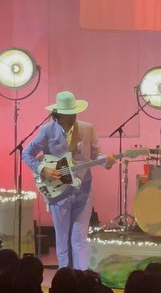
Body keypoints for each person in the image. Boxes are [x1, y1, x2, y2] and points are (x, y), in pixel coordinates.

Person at [22, 91, 115, 270]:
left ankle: (81, 276)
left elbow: (96, 154)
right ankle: (65, 276)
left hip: (83, 190)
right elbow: (27, 154)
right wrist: (42, 169)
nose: (72, 116)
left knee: (79, 238)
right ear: (58, 114)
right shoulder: (47, 131)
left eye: (74, 112)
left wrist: (106, 161)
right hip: (59, 191)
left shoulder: (87, 128)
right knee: (62, 238)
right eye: (68, 113)